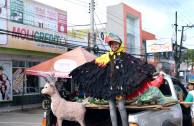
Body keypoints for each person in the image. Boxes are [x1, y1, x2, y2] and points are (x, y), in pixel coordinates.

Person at [69, 33, 156, 126]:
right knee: (112, 108)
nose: (114, 46)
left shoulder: (126, 57)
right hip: (109, 87)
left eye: (116, 44)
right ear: (110, 45)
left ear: (119, 45)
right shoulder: (105, 57)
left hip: (120, 87)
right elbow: (92, 66)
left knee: (121, 107)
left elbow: (137, 64)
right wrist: (78, 71)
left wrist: (148, 69)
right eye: (112, 44)